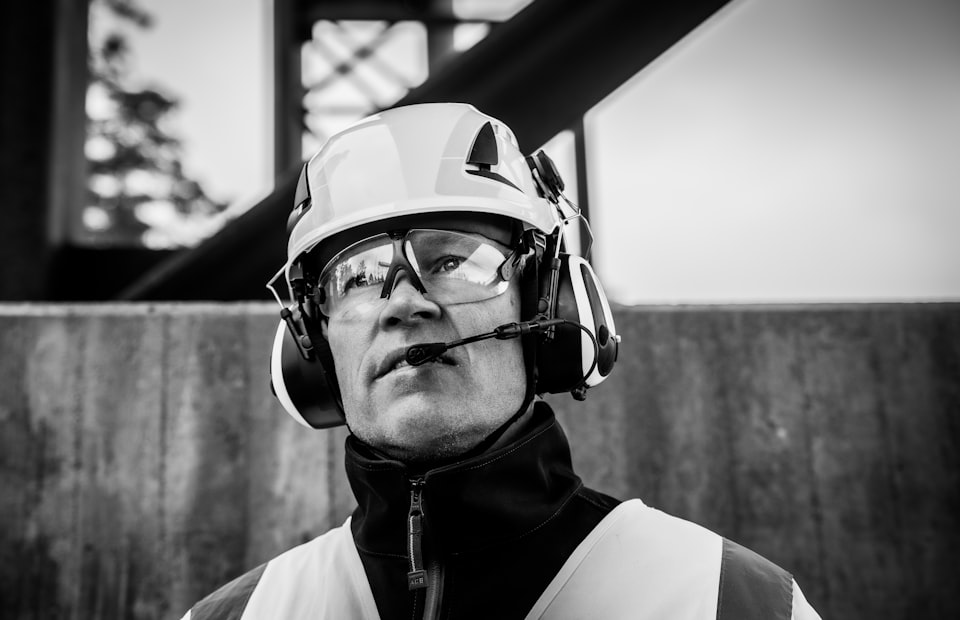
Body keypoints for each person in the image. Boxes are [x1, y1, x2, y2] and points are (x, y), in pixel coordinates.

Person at [181, 103, 821, 619]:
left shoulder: (728, 600)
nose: (403, 303)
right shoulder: (236, 616)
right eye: (358, 277)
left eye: (453, 262)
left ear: (551, 306)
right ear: (312, 346)